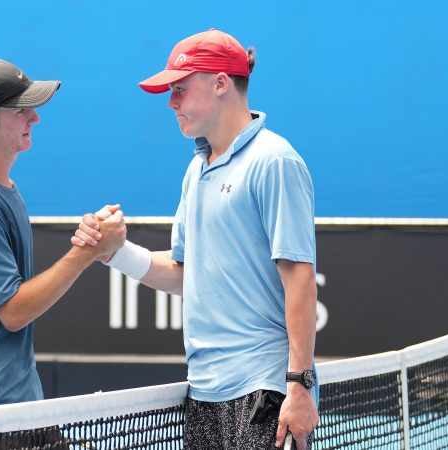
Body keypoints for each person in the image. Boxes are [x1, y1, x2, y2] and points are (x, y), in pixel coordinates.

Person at [73, 29, 319, 449]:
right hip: (203, 393)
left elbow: (299, 277)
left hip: (265, 389)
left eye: (180, 89)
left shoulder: (274, 161)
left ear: (221, 82)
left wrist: (298, 384)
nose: (171, 102)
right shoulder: (196, 171)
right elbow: (183, 272)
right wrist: (114, 253)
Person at [0, 57, 125, 412]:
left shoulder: (2, 189)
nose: (35, 117)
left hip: (12, 407)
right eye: (21, 110)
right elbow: (14, 312)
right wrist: (86, 250)